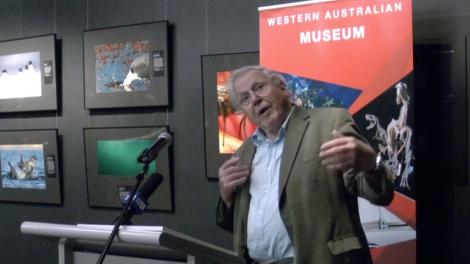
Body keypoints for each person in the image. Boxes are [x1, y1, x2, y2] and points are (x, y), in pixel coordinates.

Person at [216, 65, 394, 264]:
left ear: (282, 87)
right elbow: (240, 226)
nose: (255, 99)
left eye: (259, 88)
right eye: (245, 98)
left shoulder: (330, 123)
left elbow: (380, 195)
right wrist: (227, 197)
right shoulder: (244, 153)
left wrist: (371, 165)